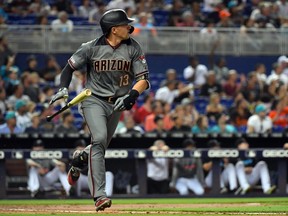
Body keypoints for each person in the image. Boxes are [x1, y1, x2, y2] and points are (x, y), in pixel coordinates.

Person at [49, 9, 150, 212]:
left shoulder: (133, 47)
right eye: (125, 24)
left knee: (100, 145)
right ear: (114, 29)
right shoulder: (91, 47)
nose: (129, 26)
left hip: (117, 103)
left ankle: (79, 159)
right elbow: (69, 68)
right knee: (100, 138)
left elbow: (143, 80)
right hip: (93, 100)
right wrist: (63, 88)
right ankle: (100, 196)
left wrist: (132, 96)